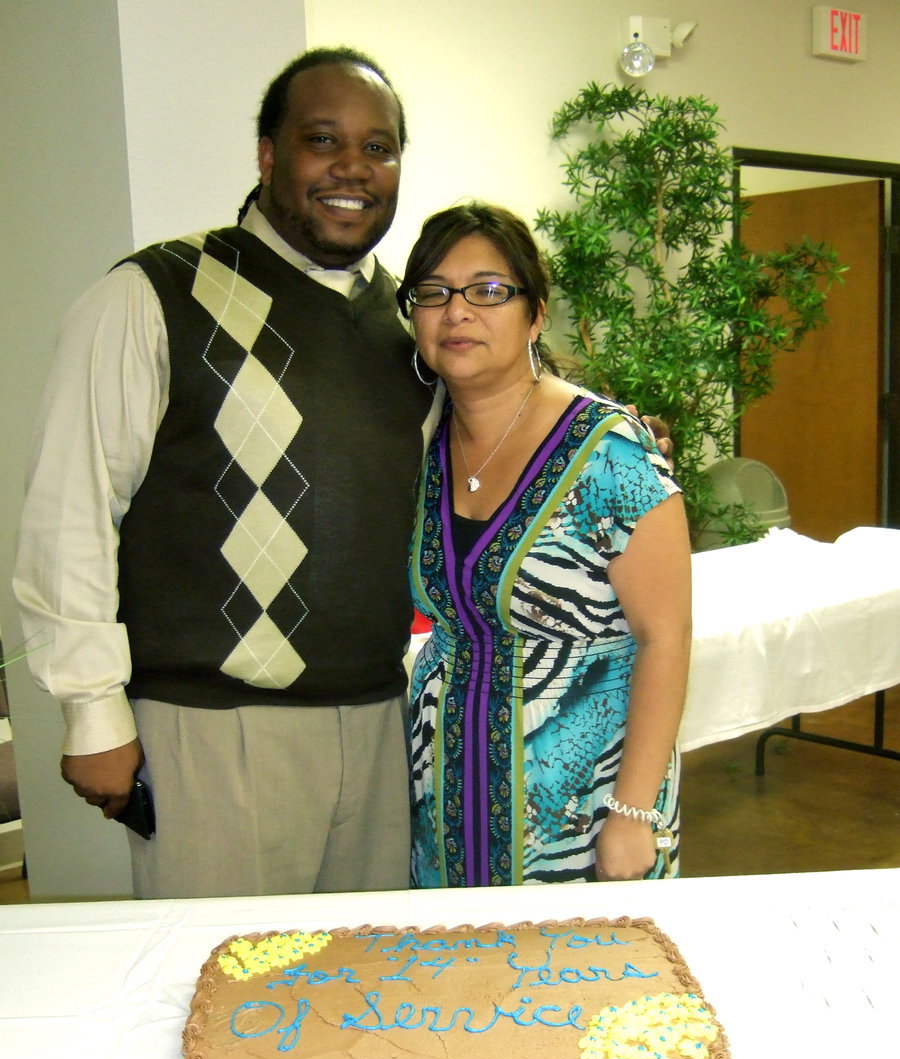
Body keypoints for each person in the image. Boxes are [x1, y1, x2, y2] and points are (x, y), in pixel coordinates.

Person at [13, 47, 439, 898]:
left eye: (379, 147)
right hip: (212, 730)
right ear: (268, 154)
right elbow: (71, 507)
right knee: (214, 992)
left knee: (361, 995)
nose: (353, 167)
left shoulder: (411, 328)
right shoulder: (153, 295)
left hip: (379, 721)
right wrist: (91, 711)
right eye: (323, 140)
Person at [397, 202, 692, 887]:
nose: (458, 312)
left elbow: (666, 637)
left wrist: (632, 813)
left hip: (584, 817)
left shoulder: (610, 452)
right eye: (434, 294)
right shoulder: (421, 444)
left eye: (489, 291)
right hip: (444, 806)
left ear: (535, 314)